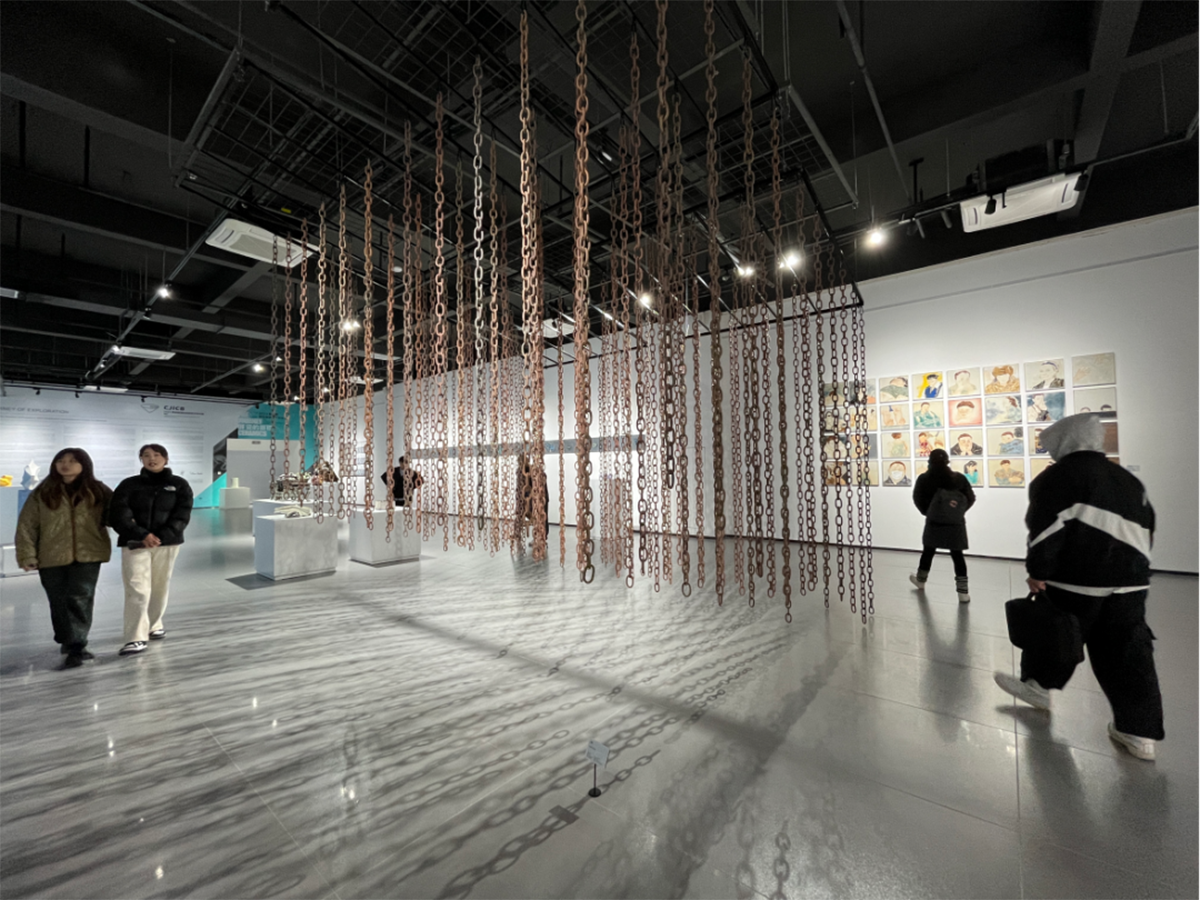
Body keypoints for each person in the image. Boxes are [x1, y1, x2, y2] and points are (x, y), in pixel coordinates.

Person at [993, 414, 1163, 761]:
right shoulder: (1125, 478)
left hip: (1078, 578)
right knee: (1129, 654)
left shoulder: (1057, 478)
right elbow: (1149, 524)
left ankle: (1037, 688)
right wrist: (1133, 569)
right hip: (1130, 581)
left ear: (1064, 441)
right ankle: (1138, 732)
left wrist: (1038, 571)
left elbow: (1046, 530)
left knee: (1057, 634)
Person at [14, 449, 113, 668]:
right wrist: (27, 555)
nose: (65, 465)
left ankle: (77, 645)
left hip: (88, 554)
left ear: (84, 465)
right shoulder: (43, 492)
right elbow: (27, 525)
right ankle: (67, 639)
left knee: (80, 598)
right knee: (58, 600)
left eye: (72, 461)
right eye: (61, 461)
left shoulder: (97, 490)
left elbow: (116, 514)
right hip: (51, 555)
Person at [109, 444, 193, 657]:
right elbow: (119, 513)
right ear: (141, 459)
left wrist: (162, 536)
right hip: (135, 543)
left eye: (156, 455)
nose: (151, 459)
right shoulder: (129, 485)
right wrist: (141, 534)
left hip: (167, 543)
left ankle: (154, 624)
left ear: (166, 459)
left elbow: (182, 514)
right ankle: (135, 637)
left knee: (159, 585)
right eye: (146, 455)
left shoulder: (179, 485)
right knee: (137, 587)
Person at [909, 448, 976, 602]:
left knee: (928, 551)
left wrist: (929, 512)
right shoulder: (958, 478)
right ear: (947, 461)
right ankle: (963, 592)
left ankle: (921, 580)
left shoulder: (924, 479)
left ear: (930, 462)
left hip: (934, 522)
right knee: (957, 556)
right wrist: (957, 512)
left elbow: (917, 498)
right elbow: (970, 498)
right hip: (955, 523)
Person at [516, 454, 549, 539]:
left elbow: (530, 485)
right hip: (534, 498)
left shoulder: (532, 471)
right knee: (535, 516)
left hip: (541, 497)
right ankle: (538, 536)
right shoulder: (525, 471)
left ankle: (542, 537)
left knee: (541, 516)